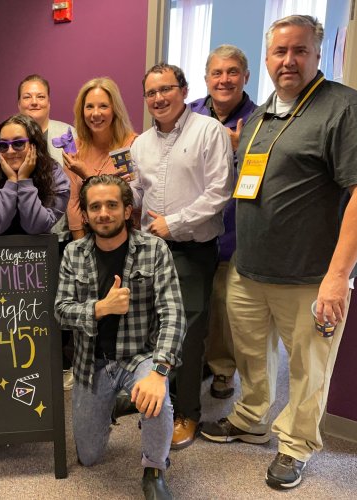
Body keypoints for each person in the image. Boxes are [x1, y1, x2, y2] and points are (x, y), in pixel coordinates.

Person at [200, 15, 357, 490]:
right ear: (267, 59)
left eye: (299, 51)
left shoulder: (347, 110)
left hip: (311, 275)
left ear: (316, 55)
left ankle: (296, 444)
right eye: (280, 52)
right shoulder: (262, 115)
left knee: (308, 367)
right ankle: (250, 417)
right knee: (251, 357)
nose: (288, 60)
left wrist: (337, 276)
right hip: (250, 268)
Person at [54, 174, 186, 500]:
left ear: (127, 210)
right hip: (92, 363)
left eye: (112, 205)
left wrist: (159, 372)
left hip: (139, 356)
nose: (104, 213)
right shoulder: (73, 253)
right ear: (84, 215)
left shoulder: (154, 250)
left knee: (157, 397)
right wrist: (100, 308)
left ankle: (154, 470)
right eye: (95, 207)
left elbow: (174, 315)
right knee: (88, 456)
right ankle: (117, 403)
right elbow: (60, 311)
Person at [131, 63, 232, 449]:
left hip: (192, 248)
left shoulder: (210, 132)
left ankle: (188, 412)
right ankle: (159, 402)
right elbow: (141, 194)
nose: (158, 98)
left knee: (187, 334)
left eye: (166, 89)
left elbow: (219, 193)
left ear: (184, 89)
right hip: (151, 250)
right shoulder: (140, 143)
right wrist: (126, 195)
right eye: (151, 93)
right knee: (154, 329)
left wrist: (174, 223)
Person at [190, 45, 258, 400]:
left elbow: (264, 181)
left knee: (223, 306)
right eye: (217, 73)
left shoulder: (260, 121)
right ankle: (194, 362)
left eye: (232, 72)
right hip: (190, 230)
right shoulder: (190, 114)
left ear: (246, 77)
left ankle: (222, 370)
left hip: (232, 235)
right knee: (191, 301)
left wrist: (237, 152)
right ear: (206, 79)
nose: (224, 79)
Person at [18, 74, 76, 389]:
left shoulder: (68, 133)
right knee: (29, 304)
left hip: (61, 234)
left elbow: (76, 180)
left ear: (49, 101)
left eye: (40, 96)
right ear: (18, 103)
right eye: (28, 97)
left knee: (61, 301)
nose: (34, 102)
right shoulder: (11, 134)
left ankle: (64, 362)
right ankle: (32, 361)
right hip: (23, 238)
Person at [63, 77, 138, 240]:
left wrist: (87, 175)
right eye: (89, 106)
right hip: (86, 237)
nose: (95, 113)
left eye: (103, 106)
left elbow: (130, 200)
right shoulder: (74, 148)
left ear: (115, 109)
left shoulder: (131, 145)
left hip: (124, 238)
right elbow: (73, 202)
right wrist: (82, 246)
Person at [0, 114, 70, 235]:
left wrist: (24, 180)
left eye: (18, 143)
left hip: (36, 252)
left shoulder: (54, 174)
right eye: (3, 145)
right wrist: (11, 181)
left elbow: (35, 227)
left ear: (34, 145)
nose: (10, 151)